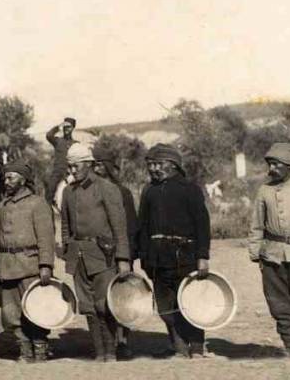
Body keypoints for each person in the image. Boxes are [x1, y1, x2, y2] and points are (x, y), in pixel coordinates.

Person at [135, 143, 212, 359]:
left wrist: (203, 256)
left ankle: (197, 346)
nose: (152, 169)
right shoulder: (149, 191)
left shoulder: (190, 189)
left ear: (172, 165)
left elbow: (202, 225)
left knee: (190, 301)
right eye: (150, 165)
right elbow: (143, 226)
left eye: (157, 164)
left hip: (186, 256)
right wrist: (144, 257)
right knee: (165, 305)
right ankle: (178, 346)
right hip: (157, 258)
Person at [60, 143, 131, 363]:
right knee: (88, 306)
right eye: (69, 167)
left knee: (104, 304)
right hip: (78, 256)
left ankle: (111, 351)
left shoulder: (107, 188)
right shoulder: (68, 192)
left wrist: (123, 258)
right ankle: (99, 352)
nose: (72, 171)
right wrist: (67, 248)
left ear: (89, 164)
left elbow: (119, 226)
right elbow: (65, 225)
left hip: (103, 255)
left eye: (76, 166)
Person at [0, 159, 55, 363]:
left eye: (11, 178)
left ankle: (40, 347)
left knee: (35, 309)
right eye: (5, 178)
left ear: (23, 180)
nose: (6, 182)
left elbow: (46, 237)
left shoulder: (37, 203)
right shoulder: (3, 204)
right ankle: (24, 348)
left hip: (30, 266)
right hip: (7, 266)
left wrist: (45, 265)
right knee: (12, 312)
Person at [92, 143, 139, 359]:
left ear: (108, 167)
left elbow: (130, 227)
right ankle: (107, 342)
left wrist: (126, 257)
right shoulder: (88, 192)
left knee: (122, 297)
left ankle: (123, 341)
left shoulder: (122, 192)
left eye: (100, 165)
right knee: (102, 300)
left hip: (120, 254)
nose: (96, 169)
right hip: (98, 254)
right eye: (93, 165)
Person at [250, 142, 290, 361]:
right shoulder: (264, 191)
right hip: (272, 256)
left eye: (276, 164)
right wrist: (255, 251)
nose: (271, 169)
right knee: (279, 305)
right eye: (269, 164)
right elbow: (257, 224)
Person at [45, 117, 78, 208]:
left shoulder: (76, 143)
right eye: (65, 127)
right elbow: (48, 135)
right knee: (50, 189)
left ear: (73, 128)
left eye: (69, 127)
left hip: (71, 172)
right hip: (58, 172)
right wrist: (58, 127)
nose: (66, 129)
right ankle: (47, 210)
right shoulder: (58, 141)